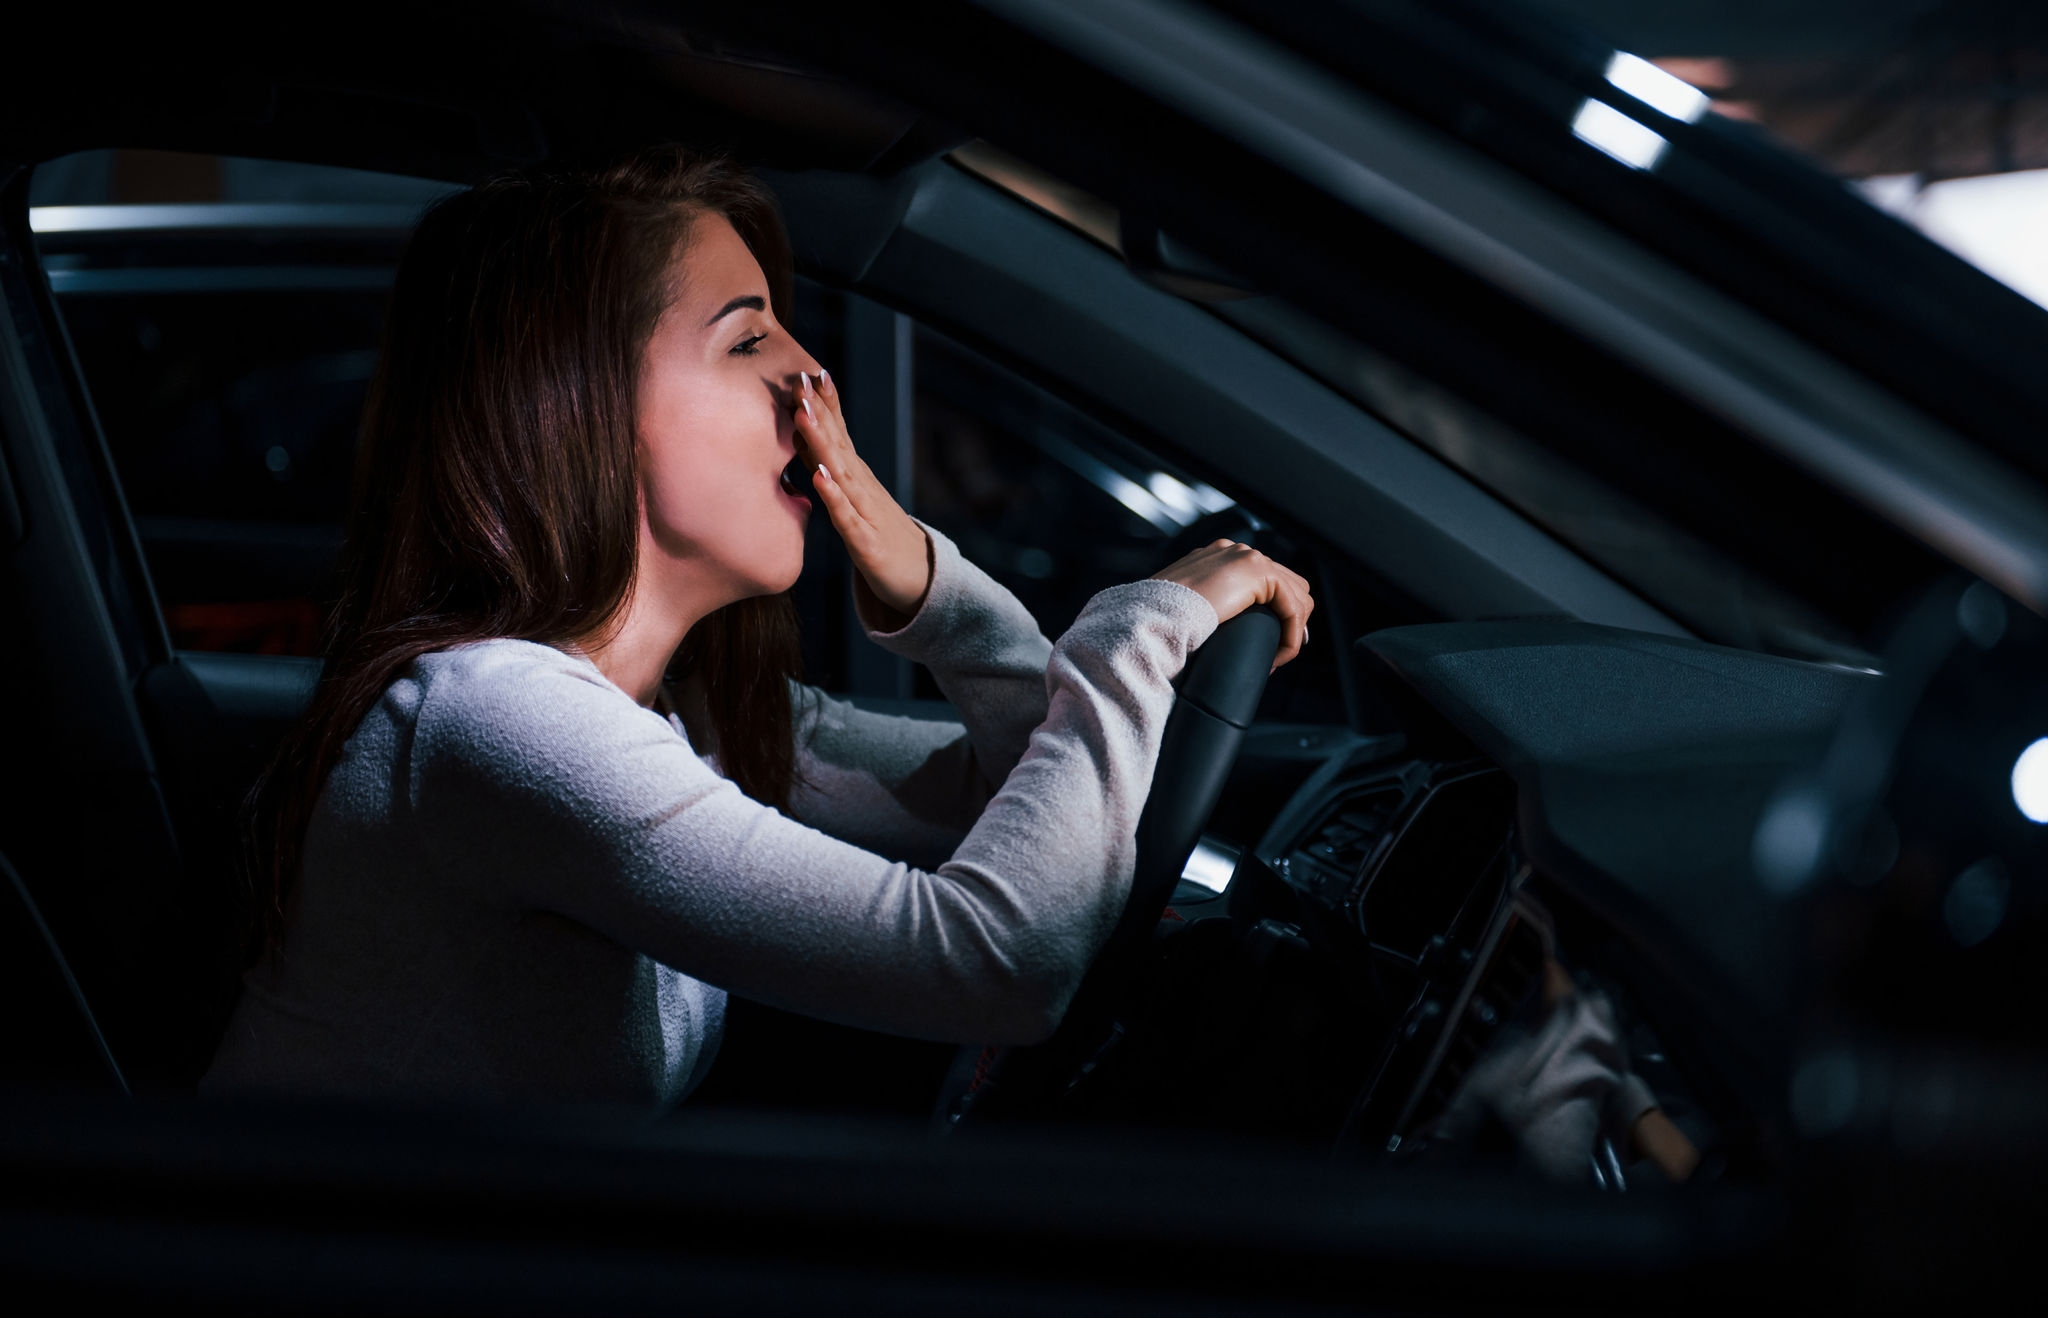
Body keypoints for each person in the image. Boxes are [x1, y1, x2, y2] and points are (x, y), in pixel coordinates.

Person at [203, 146, 1314, 1107]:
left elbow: (1022, 802)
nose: (808, 374)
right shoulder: (501, 719)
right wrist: (1142, 622)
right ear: (579, 405)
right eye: (746, 342)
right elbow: (1001, 961)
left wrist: (942, 595)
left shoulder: (688, 719)